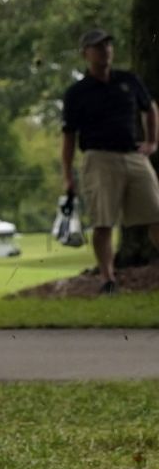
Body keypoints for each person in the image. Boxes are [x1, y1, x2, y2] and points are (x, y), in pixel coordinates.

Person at [61, 28, 159, 293]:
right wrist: (67, 175)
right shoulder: (77, 93)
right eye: (97, 46)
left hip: (133, 155)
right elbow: (69, 136)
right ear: (86, 53)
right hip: (98, 158)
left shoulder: (128, 80)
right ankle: (107, 278)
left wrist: (152, 142)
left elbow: (149, 108)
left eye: (107, 45)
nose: (105, 50)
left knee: (156, 213)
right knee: (103, 221)